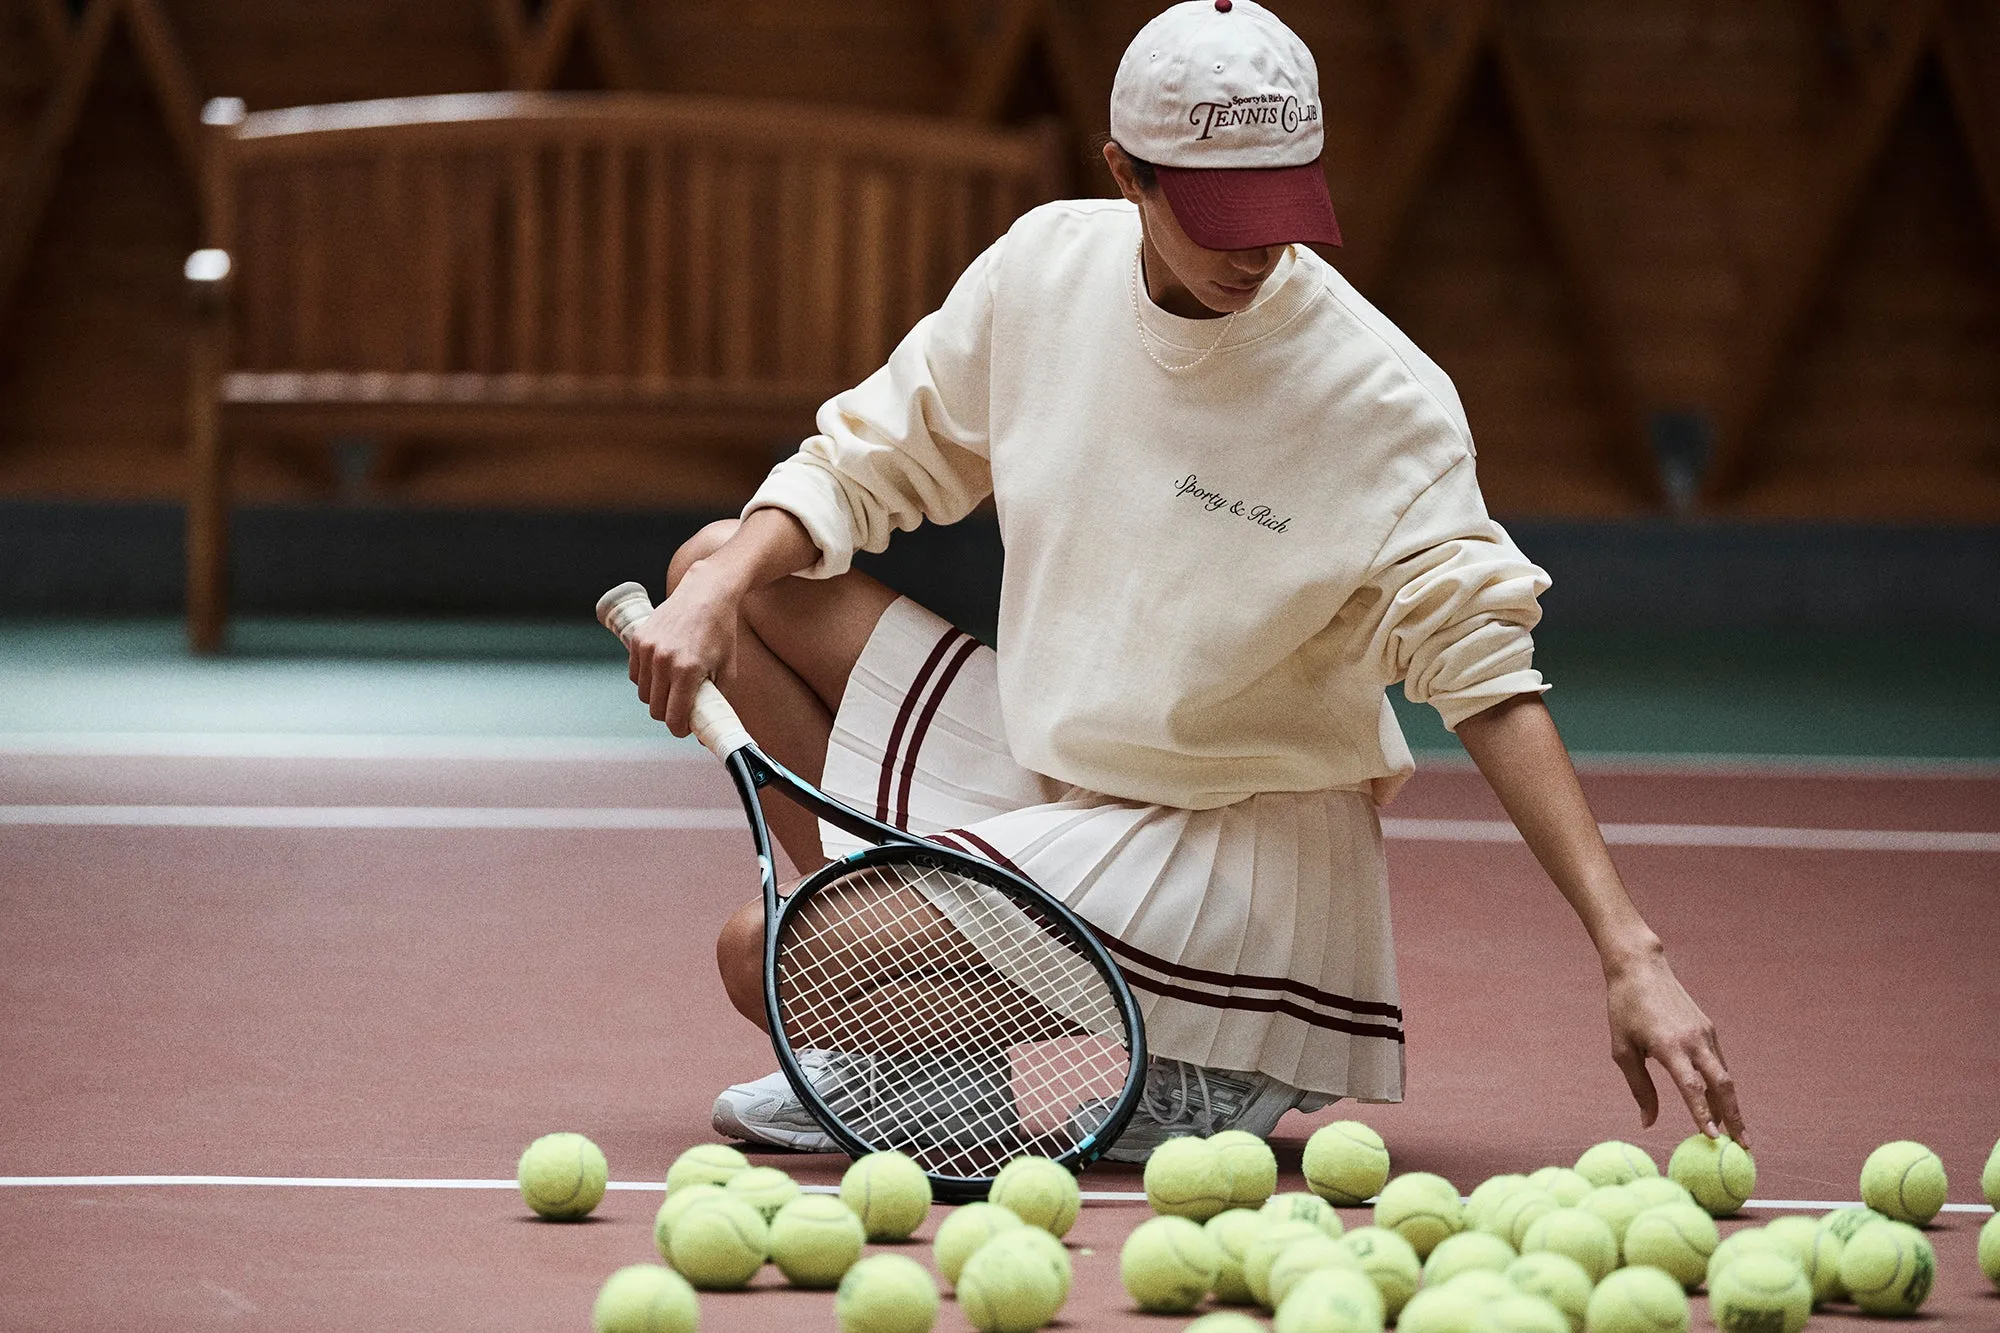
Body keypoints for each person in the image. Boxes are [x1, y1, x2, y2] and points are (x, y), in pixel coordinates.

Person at [624, 0, 1746, 1162]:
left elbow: (1489, 685)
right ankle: (927, 1061)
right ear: (1127, 174)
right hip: (1072, 776)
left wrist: (1630, 951)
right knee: (724, 566)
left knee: (765, 952)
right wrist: (706, 603)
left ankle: (1214, 1050)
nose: (1257, 251)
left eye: (1282, 210)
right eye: (1220, 217)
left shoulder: (1379, 401)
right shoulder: (1041, 272)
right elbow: (866, 459)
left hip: (1236, 857)